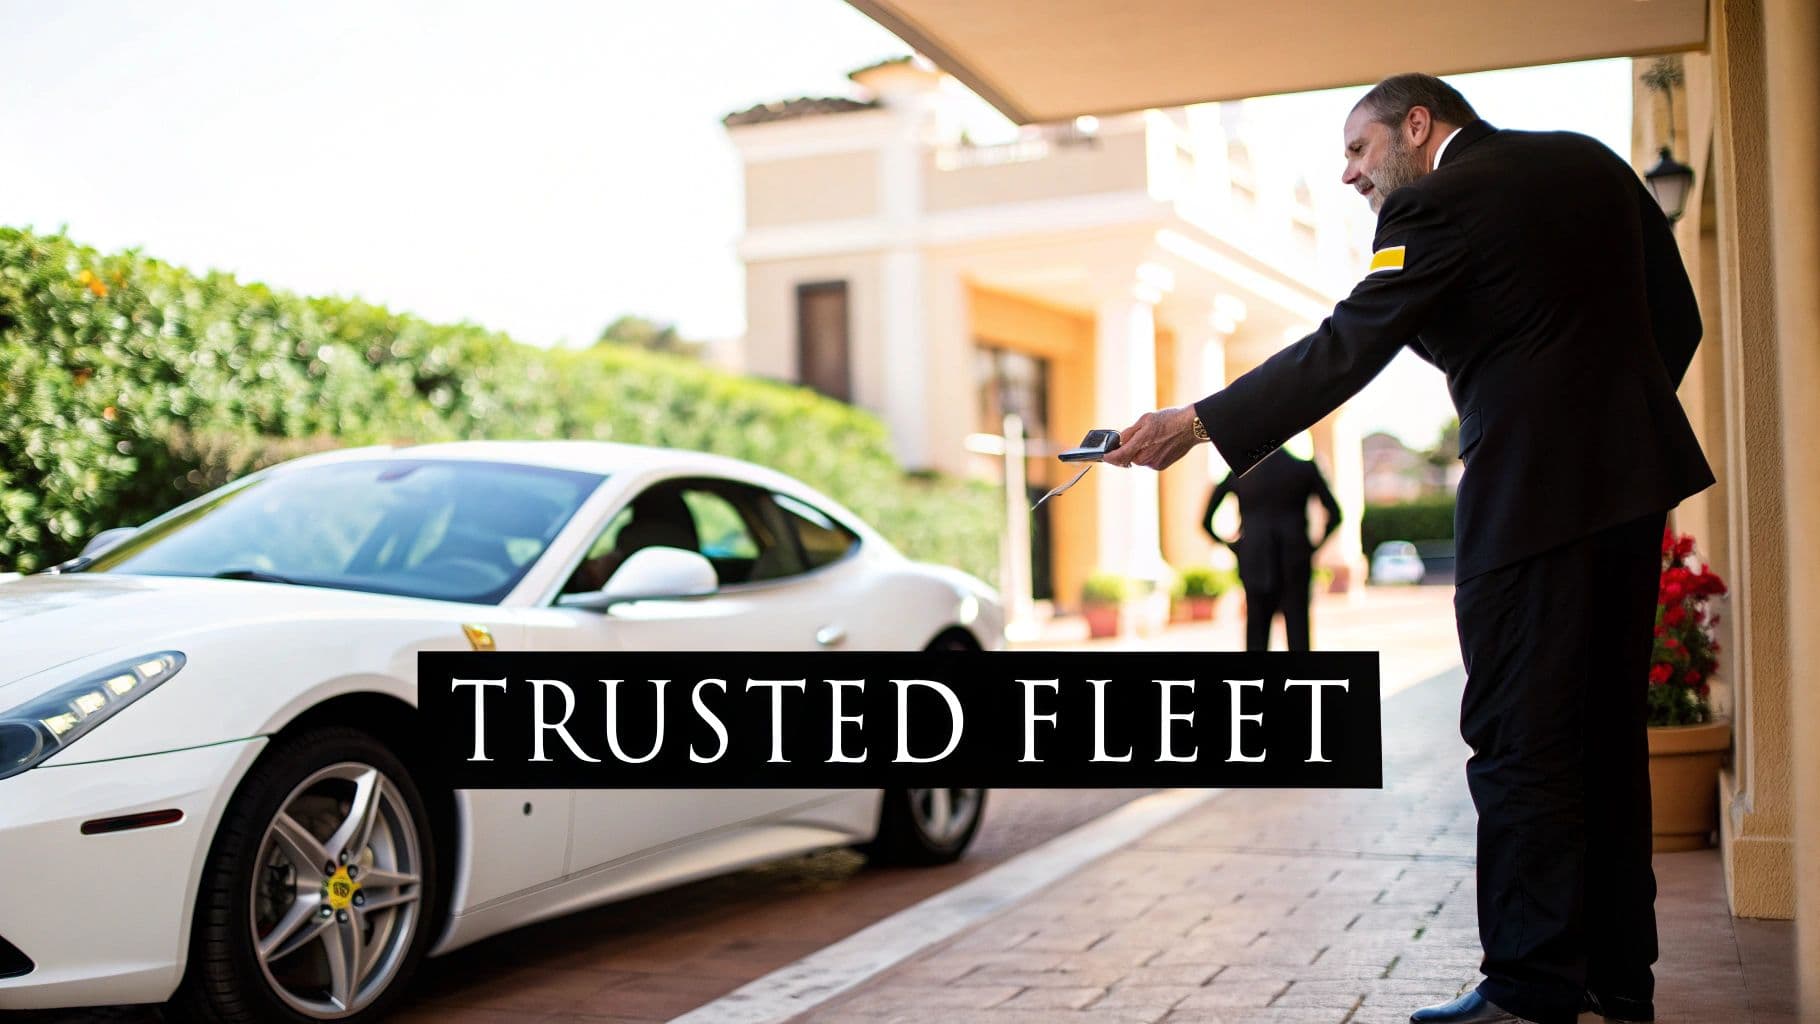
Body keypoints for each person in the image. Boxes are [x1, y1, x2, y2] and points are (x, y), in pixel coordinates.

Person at [1104, 73, 1711, 1024]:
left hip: (1528, 504)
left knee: (1518, 740)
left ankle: (1529, 990)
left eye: (1357, 150)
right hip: (1633, 495)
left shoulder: (1437, 200)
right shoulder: (1591, 163)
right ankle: (1613, 979)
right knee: (1602, 737)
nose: (1350, 176)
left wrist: (1199, 422)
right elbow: (1677, 318)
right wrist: (1605, 423)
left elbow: (1349, 344)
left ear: (1418, 125)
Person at [1203, 446, 1341, 651]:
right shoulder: (1303, 469)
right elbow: (1336, 514)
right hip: (1295, 559)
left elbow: (1206, 521)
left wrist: (1235, 547)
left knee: (1256, 633)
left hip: (1255, 558)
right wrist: (1312, 547)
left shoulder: (1240, 473)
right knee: (1298, 633)